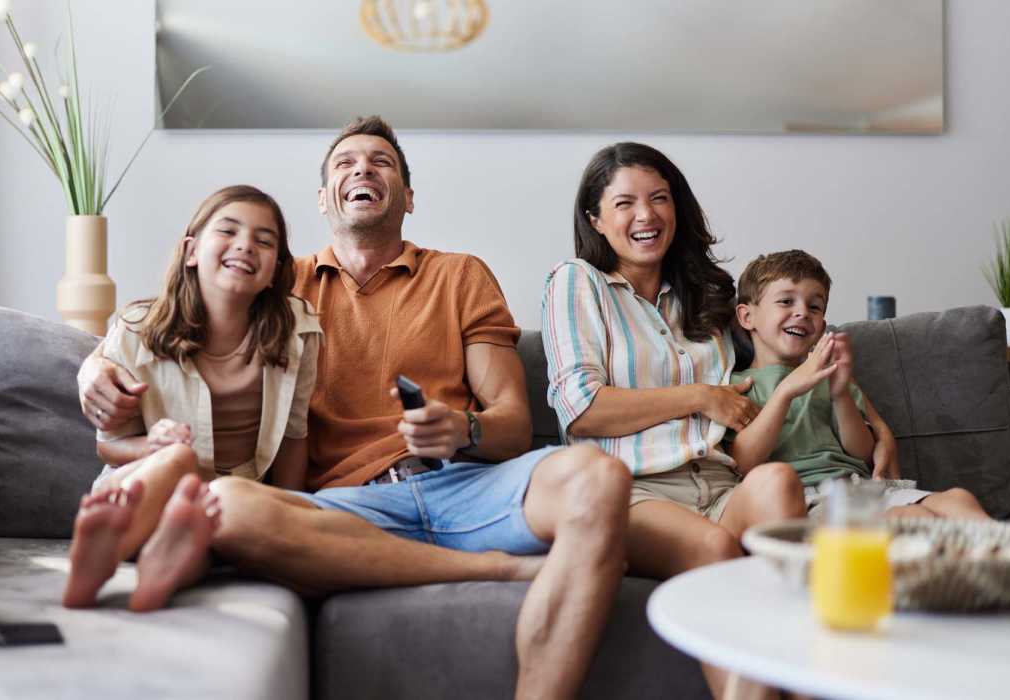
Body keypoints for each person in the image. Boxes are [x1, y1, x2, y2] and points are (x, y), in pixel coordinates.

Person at [78, 116, 631, 700]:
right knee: (226, 508)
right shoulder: (276, 285)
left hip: (467, 487)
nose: (362, 168)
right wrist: (92, 367)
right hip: (346, 506)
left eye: (381, 162)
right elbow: (172, 323)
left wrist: (461, 429)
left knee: (598, 476)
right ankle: (493, 566)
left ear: (409, 196)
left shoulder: (459, 275)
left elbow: (514, 428)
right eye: (344, 163)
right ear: (322, 198)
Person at [541, 142, 894, 700]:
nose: (646, 215)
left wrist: (880, 424)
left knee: (778, 483)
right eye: (626, 202)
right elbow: (582, 409)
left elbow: (789, 355)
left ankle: (812, 677)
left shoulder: (706, 296)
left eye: (659, 198)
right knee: (712, 550)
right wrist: (700, 396)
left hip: (722, 482)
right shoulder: (577, 282)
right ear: (596, 219)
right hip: (635, 490)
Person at [62, 185, 323, 612]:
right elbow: (106, 444)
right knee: (180, 461)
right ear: (191, 251)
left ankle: (170, 564)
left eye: (264, 240)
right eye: (229, 231)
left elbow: (295, 436)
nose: (245, 245)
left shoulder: (299, 333)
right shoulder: (136, 329)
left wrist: (290, 508)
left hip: (225, 498)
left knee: (213, 515)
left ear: (275, 269)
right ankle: (106, 550)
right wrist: (156, 445)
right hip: (142, 487)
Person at [728, 249, 989, 519]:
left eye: (814, 306)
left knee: (959, 499)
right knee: (913, 518)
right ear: (747, 317)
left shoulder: (832, 374)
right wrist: (786, 393)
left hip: (860, 487)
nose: (802, 313)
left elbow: (862, 452)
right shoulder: (736, 386)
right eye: (786, 301)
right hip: (805, 498)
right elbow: (743, 463)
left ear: (822, 324)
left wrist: (841, 394)